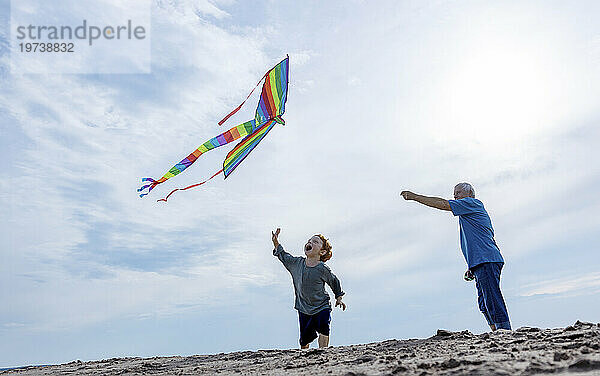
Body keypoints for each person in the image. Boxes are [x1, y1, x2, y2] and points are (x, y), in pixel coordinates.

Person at [400, 183, 511, 331]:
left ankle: (505, 331)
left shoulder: (473, 203)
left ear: (470, 194)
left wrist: (415, 197)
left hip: (487, 259)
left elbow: (443, 204)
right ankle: (496, 331)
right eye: (454, 193)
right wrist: (471, 266)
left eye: (458, 192)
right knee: (484, 304)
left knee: (492, 299)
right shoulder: (468, 214)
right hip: (481, 261)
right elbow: (484, 237)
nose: (455, 196)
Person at [272, 228, 346, 348]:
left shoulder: (322, 268)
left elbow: (334, 281)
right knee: (304, 339)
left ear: (322, 252)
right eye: (309, 241)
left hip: (321, 305)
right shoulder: (296, 264)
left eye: (315, 242)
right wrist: (276, 243)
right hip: (303, 307)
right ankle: (304, 357)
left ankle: (324, 351)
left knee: (323, 328)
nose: (310, 242)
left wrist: (339, 297)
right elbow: (284, 256)